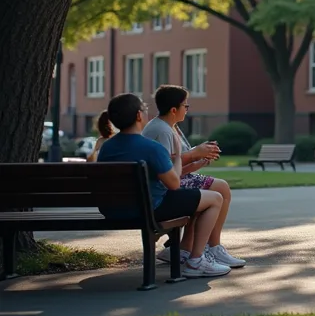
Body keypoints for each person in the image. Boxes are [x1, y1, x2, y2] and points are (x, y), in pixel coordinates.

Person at [94, 93, 230, 277]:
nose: (146, 110)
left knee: (199, 197)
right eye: (144, 108)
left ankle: (184, 250)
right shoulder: (151, 147)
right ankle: (196, 261)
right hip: (149, 209)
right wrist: (178, 157)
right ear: (138, 116)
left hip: (112, 210)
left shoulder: (107, 148)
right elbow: (173, 184)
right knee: (214, 198)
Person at [142, 85, 245, 268]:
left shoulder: (170, 127)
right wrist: (194, 154)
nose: (187, 110)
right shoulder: (162, 130)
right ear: (174, 109)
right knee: (219, 188)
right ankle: (210, 248)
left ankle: (188, 249)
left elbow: (176, 164)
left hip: (168, 182)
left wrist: (198, 160)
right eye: (185, 106)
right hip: (164, 188)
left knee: (218, 188)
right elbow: (166, 167)